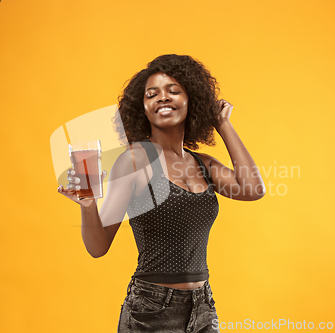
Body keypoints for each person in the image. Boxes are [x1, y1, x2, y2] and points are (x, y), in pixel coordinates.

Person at [57, 54, 265, 333]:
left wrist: (223, 124)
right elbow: (98, 247)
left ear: (191, 102)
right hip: (151, 309)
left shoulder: (203, 164)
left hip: (202, 306)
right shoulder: (135, 160)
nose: (163, 98)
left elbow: (253, 189)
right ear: (142, 109)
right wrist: (87, 205)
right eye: (152, 94)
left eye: (173, 91)